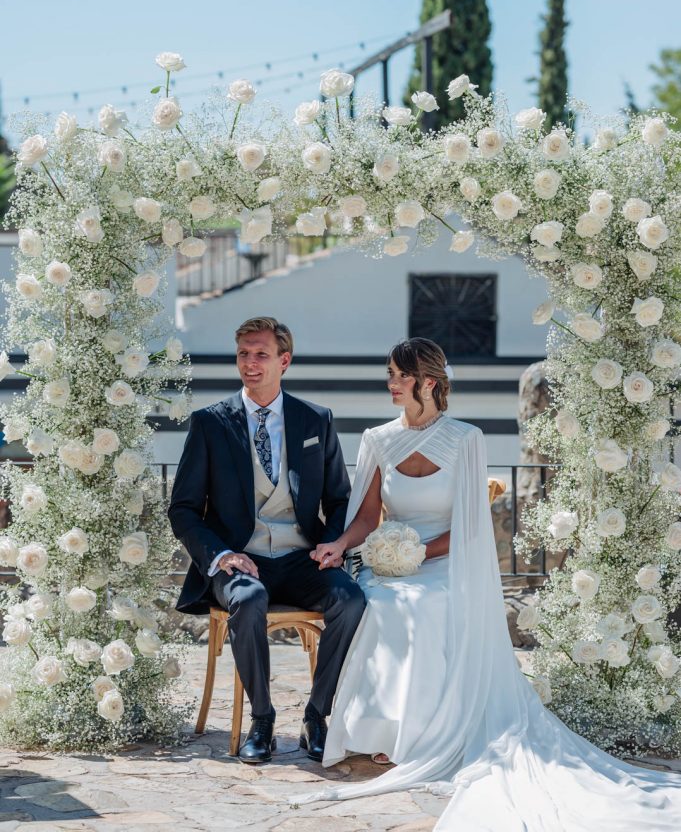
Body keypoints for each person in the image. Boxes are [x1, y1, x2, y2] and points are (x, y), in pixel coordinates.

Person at [299, 337, 681, 830]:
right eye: (390, 374)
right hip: (391, 564)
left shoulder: (465, 439)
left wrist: (417, 553)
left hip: (444, 561)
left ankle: (422, 738)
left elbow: (471, 528)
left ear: (428, 383)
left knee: (427, 605)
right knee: (379, 601)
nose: (390, 383)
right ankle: (385, 734)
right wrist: (340, 545)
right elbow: (368, 517)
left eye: (399, 375)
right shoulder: (377, 439)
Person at [168, 316, 365, 765]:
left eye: (261, 354)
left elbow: (339, 500)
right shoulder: (210, 424)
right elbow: (182, 509)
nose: (250, 363)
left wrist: (333, 544)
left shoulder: (315, 420)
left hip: (302, 558)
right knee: (249, 599)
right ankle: (262, 720)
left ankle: (317, 716)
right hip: (241, 561)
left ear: (284, 361)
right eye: (243, 354)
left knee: (351, 601)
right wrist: (220, 555)